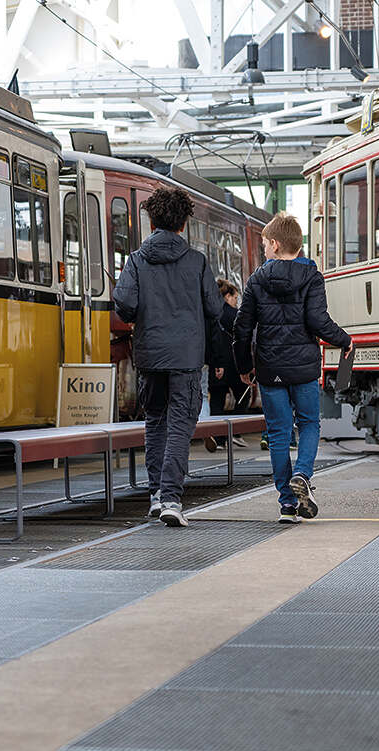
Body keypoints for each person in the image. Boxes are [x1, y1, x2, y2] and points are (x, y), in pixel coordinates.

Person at [114, 187, 223, 528]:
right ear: (184, 223)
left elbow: (125, 304)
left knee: (156, 421)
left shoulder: (136, 260)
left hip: (150, 354)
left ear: (151, 221)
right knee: (179, 424)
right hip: (186, 355)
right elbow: (215, 308)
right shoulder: (196, 261)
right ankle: (171, 497)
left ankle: (155, 494)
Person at [233, 212, 352, 524]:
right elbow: (318, 320)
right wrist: (344, 340)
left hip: (270, 368)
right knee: (310, 423)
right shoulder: (312, 276)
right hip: (303, 368)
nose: (263, 252)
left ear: (274, 244)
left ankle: (287, 504)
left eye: (264, 246)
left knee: (278, 434)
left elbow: (242, 327)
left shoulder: (257, 279)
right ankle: (303, 474)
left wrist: (244, 365)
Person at [206, 278, 248, 450]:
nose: (235, 302)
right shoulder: (233, 315)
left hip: (214, 363)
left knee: (216, 401)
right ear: (227, 295)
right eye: (234, 298)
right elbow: (243, 338)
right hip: (233, 364)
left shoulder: (209, 313)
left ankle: (219, 439)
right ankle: (235, 431)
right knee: (244, 395)